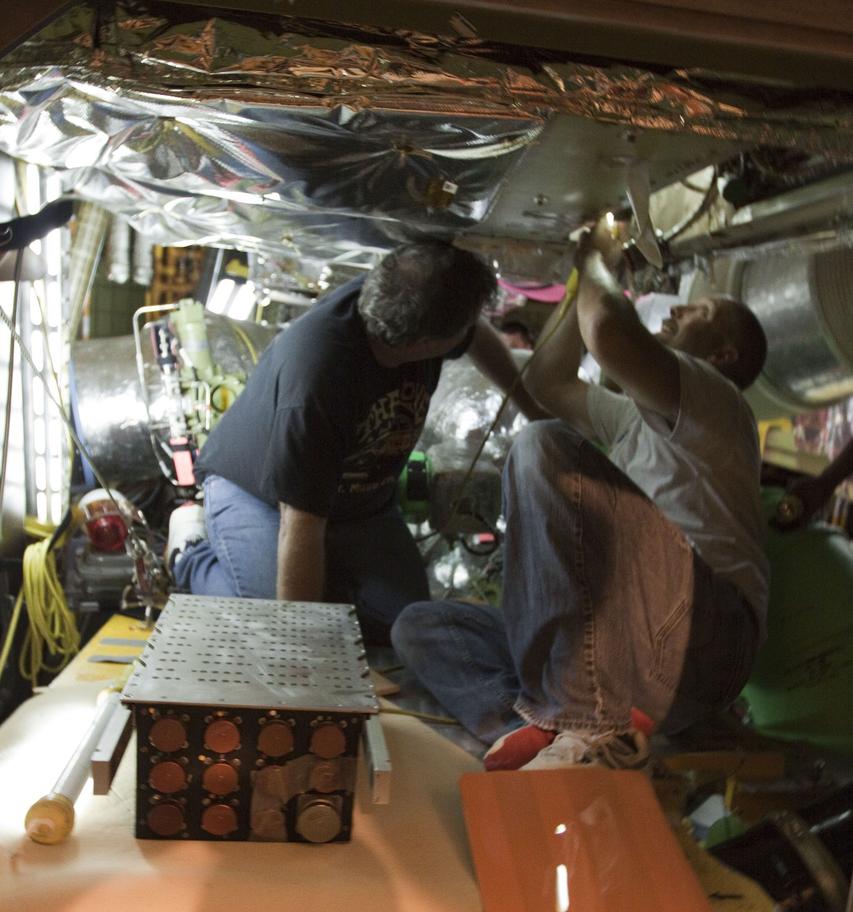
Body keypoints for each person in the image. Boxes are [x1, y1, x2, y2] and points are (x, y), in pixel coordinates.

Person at [391, 219, 770, 769]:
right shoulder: (637, 420)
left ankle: (572, 720)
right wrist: (587, 279)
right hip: (632, 660)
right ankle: (546, 738)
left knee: (543, 445)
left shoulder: (720, 401)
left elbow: (610, 336)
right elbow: (550, 381)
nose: (677, 312)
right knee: (423, 628)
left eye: (701, 314)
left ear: (725, 356)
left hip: (703, 643)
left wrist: (598, 259)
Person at [170, 239, 539, 643]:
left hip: (360, 502)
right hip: (260, 495)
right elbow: (301, 526)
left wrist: (531, 407)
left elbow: (477, 335)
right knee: (270, 628)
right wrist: (302, 651)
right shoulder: (319, 377)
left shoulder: (410, 298)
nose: (469, 332)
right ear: (426, 345)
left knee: (406, 625)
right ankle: (191, 553)